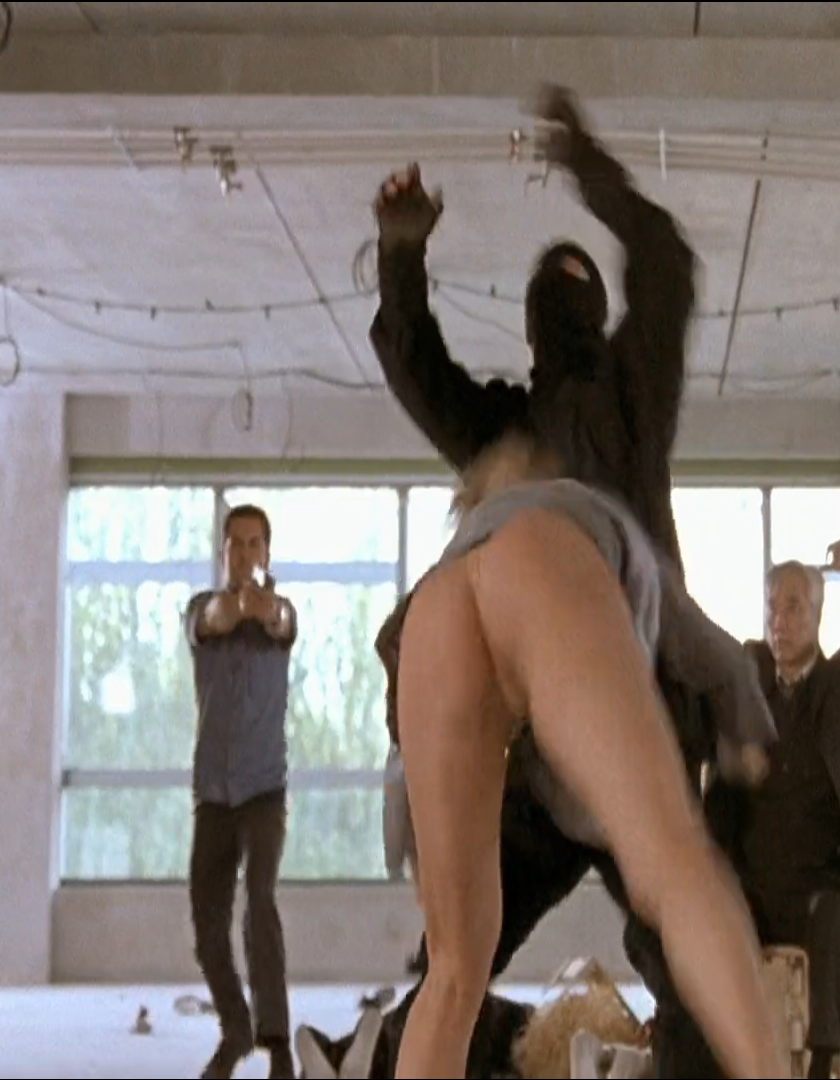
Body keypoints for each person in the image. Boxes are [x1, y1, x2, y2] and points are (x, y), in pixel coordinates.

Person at [297, 83, 729, 1079]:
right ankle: (380, 1054)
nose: (566, 314)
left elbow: (659, 267)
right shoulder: (534, 425)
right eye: (557, 298)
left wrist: (416, 250)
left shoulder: (598, 407)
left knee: (662, 956)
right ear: (551, 326)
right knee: (463, 951)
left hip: (621, 735)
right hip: (557, 747)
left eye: (569, 294)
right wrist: (404, 255)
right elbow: (424, 371)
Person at [389, 432, 787, 1080]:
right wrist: (745, 734)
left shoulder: (460, 552)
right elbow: (715, 654)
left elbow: (401, 757)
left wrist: (412, 841)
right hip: (540, 573)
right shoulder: (578, 515)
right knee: (676, 865)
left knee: (453, 969)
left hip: (432, 612)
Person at [707, 541, 840, 1080]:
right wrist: (732, 758)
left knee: (833, 919)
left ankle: (821, 1059)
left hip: (818, 881)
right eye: (772, 607)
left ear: (817, 614)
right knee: (709, 928)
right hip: (751, 880)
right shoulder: (747, 678)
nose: (780, 620)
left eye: (793, 607)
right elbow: (701, 719)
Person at [183, 504, 300, 1079]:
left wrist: (266, 607)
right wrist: (237, 605)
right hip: (213, 795)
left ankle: (277, 1042)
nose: (246, 553)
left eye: (255, 544)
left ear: (267, 552)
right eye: (237, 544)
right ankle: (236, 1030)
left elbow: (280, 619)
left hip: (263, 793)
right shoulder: (202, 609)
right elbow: (213, 617)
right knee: (207, 926)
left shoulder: (281, 614)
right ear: (224, 552)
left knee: (259, 901)